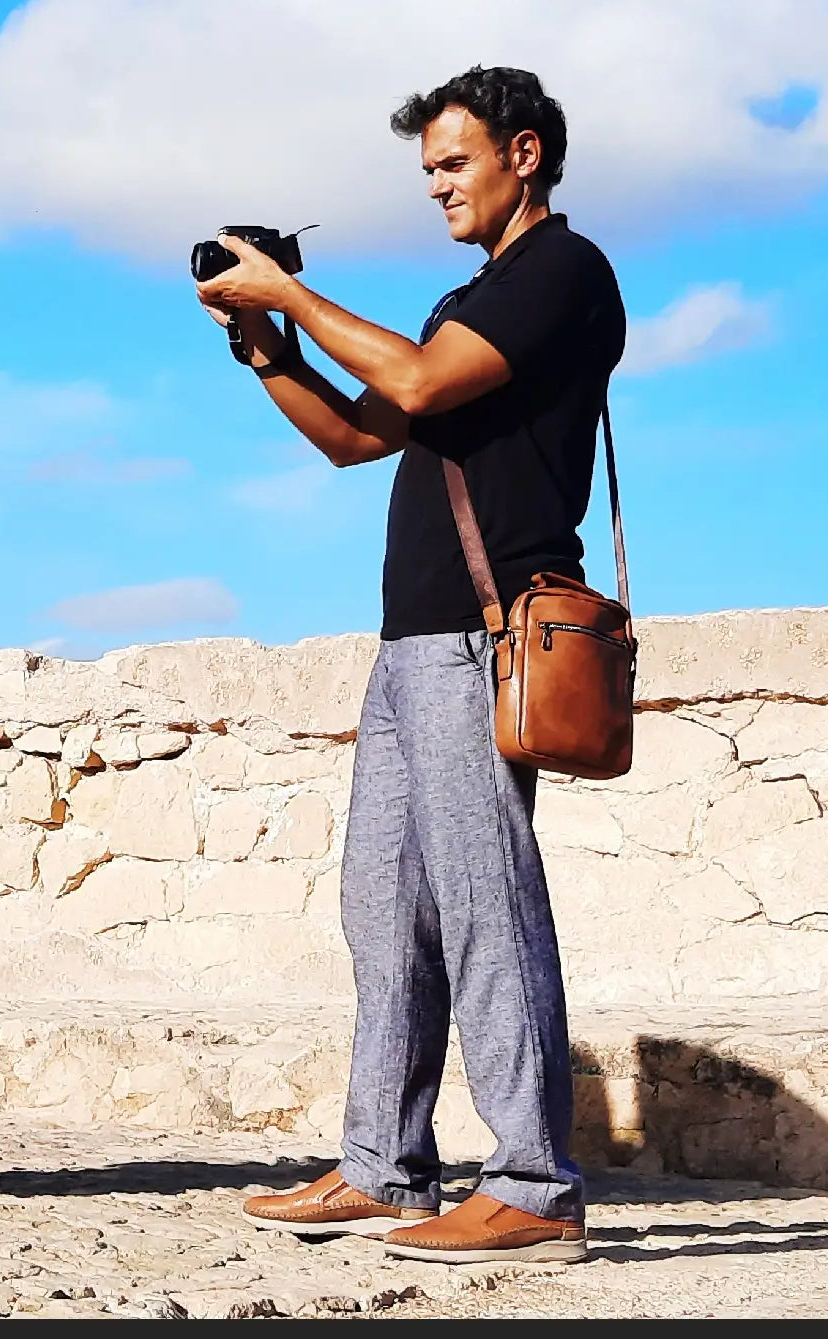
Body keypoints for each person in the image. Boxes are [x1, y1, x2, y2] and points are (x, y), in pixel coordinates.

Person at [195, 65, 626, 1265]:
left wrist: (296, 285)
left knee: (489, 908)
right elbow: (354, 434)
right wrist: (265, 341)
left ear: (524, 154)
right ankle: (387, 1171)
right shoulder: (465, 296)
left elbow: (426, 382)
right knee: (383, 912)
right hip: (406, 647)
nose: (437, 184)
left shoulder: (564, 276)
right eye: (427, 168)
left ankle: (536, 1192)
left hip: (483, 638)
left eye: (454, 162)